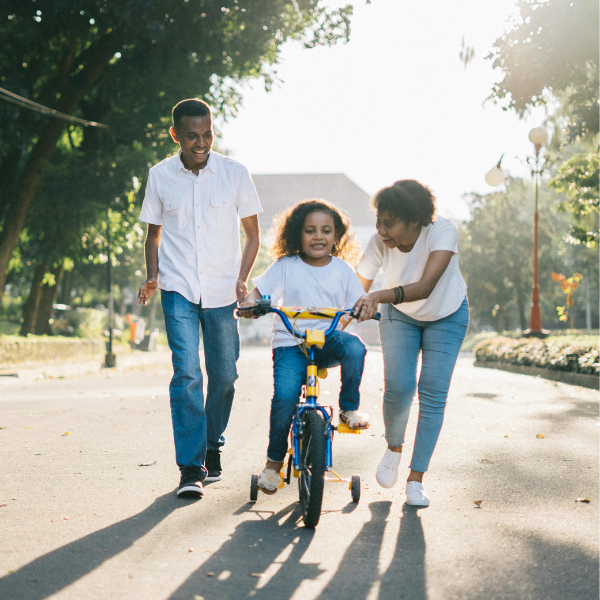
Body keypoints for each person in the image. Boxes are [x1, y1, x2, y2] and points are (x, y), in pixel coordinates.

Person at [137, 98, 262, 498]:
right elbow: (153, 234)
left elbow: (253, 234)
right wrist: (153, 276)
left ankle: (212, 444)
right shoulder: (159, 176)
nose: (201, 142)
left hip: (224, 291)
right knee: (187, 373)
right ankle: (191, 467)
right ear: (176, 135)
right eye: (192, 136)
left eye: (207, 134)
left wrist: (243, 278)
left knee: (224, 376)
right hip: (177, 290)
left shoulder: (235, 173)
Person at [240, 199, 369, 494]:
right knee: (285, 397)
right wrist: (250, 304)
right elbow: (258, 293)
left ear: (337, 236)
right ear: (298, 234)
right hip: (290, 344)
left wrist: (363, 309)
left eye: (326, 230)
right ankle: (273, 464)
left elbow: (357, 303)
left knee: (356, 348)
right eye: (310, 230)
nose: (319, 237)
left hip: (326, 341)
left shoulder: (343, 270)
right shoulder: (286, 266)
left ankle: (349, 409)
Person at [353, 180, 468, 507]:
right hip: (399, 315)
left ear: (414, 221)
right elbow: (354, 289)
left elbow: (427, 285)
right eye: (378, 220)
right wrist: (334, 322)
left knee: (432, 391)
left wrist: (377, 295)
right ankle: (393, 448)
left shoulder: (441, 231)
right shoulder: (378, 242)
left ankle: (416, 479)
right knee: (399, 388)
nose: (380, 229)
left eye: (389, 223)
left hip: (447, 313)